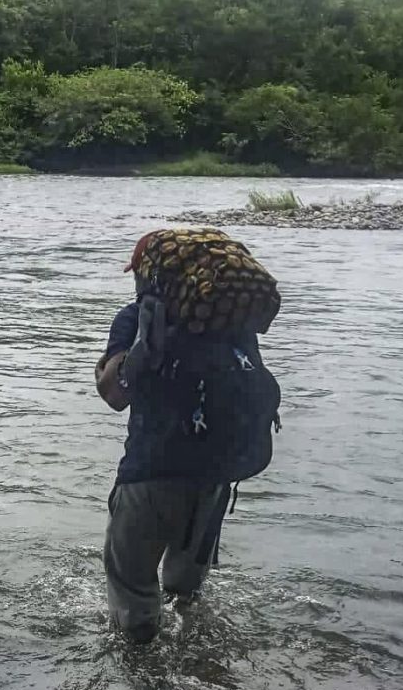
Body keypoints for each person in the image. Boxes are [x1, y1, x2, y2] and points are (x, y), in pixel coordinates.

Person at [95, 228, 282, 644]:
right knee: (186, 599)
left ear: (150, 273)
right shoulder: (231, 325)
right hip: (214, 482)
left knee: (134, 605)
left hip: (150, 477)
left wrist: (128, 355)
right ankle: (196, 670)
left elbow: (113, 395)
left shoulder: (136, 317)